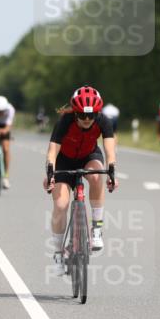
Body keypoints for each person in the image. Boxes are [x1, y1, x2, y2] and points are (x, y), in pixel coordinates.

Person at [44, 86, 118, 277]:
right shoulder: (64, 121)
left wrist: (111, 172)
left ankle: (96, 230)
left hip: (89, 155)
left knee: (95, 176)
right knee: (61, 205)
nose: (87, 119)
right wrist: (50, 173)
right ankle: (59, 254)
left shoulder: (103, 121)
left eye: (91, 115)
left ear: (97, 113)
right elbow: (52, 151)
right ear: (74, 112)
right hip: (64, 159)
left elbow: (110, 152)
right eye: (82, 115)